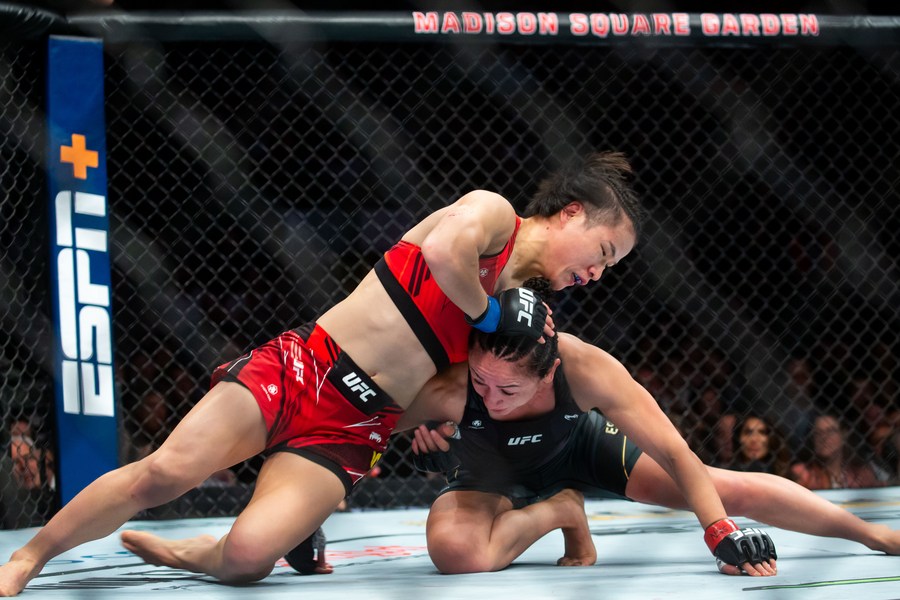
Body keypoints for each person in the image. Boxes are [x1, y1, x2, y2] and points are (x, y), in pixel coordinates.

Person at [0, 151, 640, 596]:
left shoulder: (522, 310)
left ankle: (192, 551)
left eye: (610, 269)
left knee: (247, 559)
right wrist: (491, 314)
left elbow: (459, 380)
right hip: (306, 367)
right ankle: (30, 557)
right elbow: (445, 253)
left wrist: (440, 411)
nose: (597, 273)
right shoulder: (493, 216)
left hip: (357, 424)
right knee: (163, 474)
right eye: (604, 252)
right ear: (570, 214)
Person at [401, 314, 900, 577]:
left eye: (508, 389)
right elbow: (370, 431)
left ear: (549, 372)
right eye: (481, 382)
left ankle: (872, 534)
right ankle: (560, 510)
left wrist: (718, 530)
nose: (490, 399)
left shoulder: (585, 368)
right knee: (456, 554)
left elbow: (676, 453)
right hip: (491, 471)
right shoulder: (447, 387)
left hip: (578, 448)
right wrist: (426, 448)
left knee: (728, 489)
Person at [789, 413, 886, 490]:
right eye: (818, 433)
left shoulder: (862, 474)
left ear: (843, 435)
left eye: (830, 431)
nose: (824, 438)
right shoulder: (803, 473)